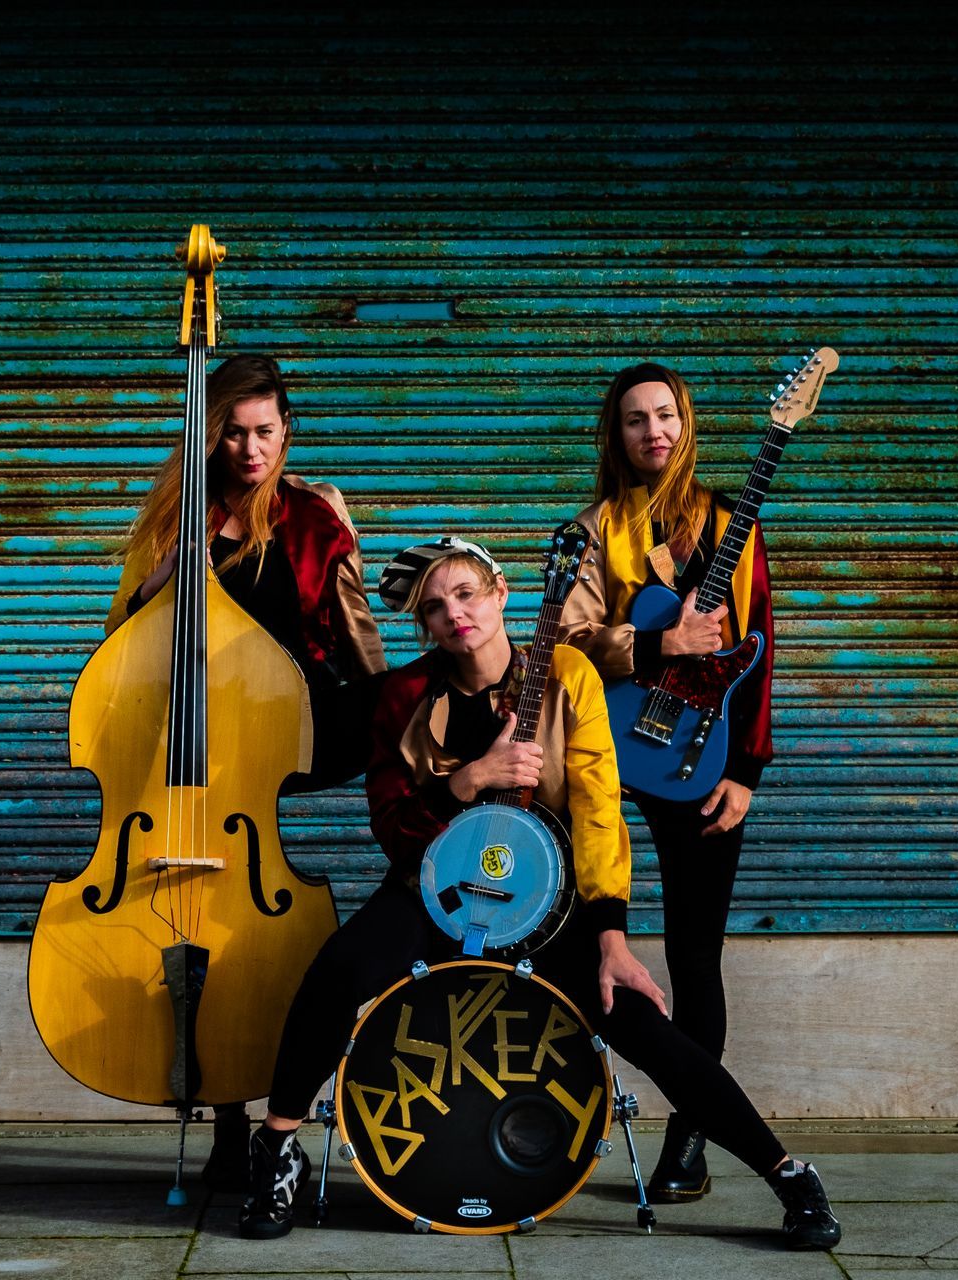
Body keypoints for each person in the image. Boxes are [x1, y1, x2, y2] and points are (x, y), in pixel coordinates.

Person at [237, 538, 840, 1251]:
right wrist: (470, 779)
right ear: (424, 625)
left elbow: (597, 809)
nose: (454, 613)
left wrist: (611, 937)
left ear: (501, 593)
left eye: (466, 594)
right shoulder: (404, 694)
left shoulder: (565, 673)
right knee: (338, 970)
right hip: (437, 890)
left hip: (545, 902)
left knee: (643, 1022)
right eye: (435, 607)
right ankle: (277, 1149)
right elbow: (392, 826)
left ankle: (787, 1173)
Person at [108, 352, 387, 1185]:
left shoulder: (315, 512)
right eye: (232, 432)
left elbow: (355, 632)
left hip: (294, 731)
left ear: (287, 430)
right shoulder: (176, 515)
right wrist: (169, 572)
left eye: (265, 431)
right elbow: (121, 643)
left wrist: (395, 716)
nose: (251, 449)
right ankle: (228, 1115)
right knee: (212, 928)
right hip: (202, 754)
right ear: (210, 434)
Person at [559, 361, 777, 1205]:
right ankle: (559, 1111)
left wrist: (746, 771)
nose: (654, 432)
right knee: (578, 937)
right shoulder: (594, 529)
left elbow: (760, 646)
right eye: (635, 419)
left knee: (694, 954)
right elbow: (567, 639)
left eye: (666, 415)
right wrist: (658, 645)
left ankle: (690, 1139)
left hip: (705, 755)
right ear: (614, 436)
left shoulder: (733, 523)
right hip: (607, 751)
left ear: (686, 423)